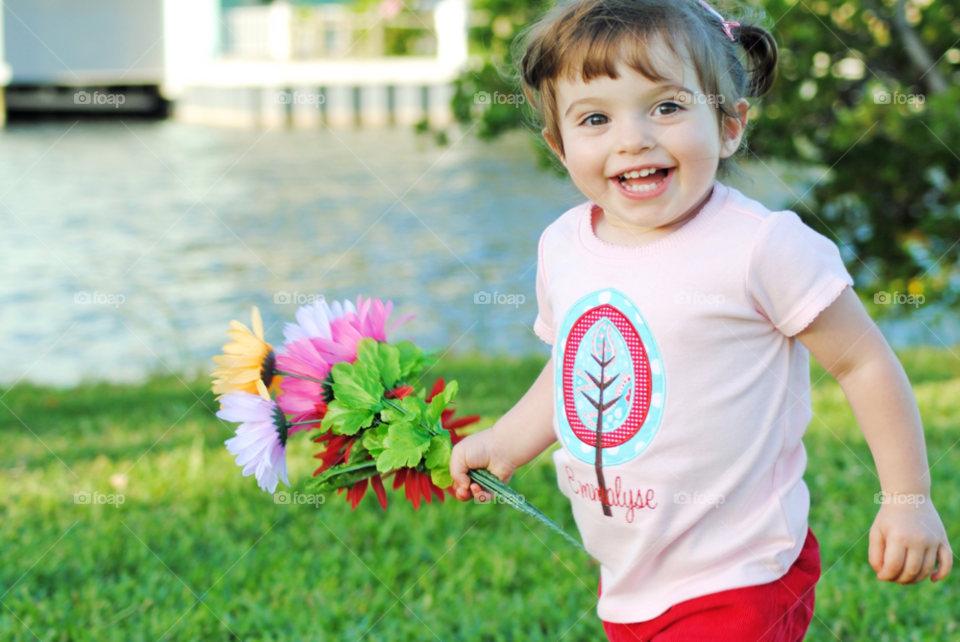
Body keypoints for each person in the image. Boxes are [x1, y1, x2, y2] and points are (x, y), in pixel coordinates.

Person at [449, 0, 953, 639]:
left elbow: (863, 362)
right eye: (596, 118)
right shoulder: (564, 245)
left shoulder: (762, 246)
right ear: (559, 145)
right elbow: (571, 370)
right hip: (631, 577)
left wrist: (907, 499)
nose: (633, 138)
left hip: (740, 573)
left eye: (667, 106)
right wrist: (505, 440)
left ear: (730, 125)